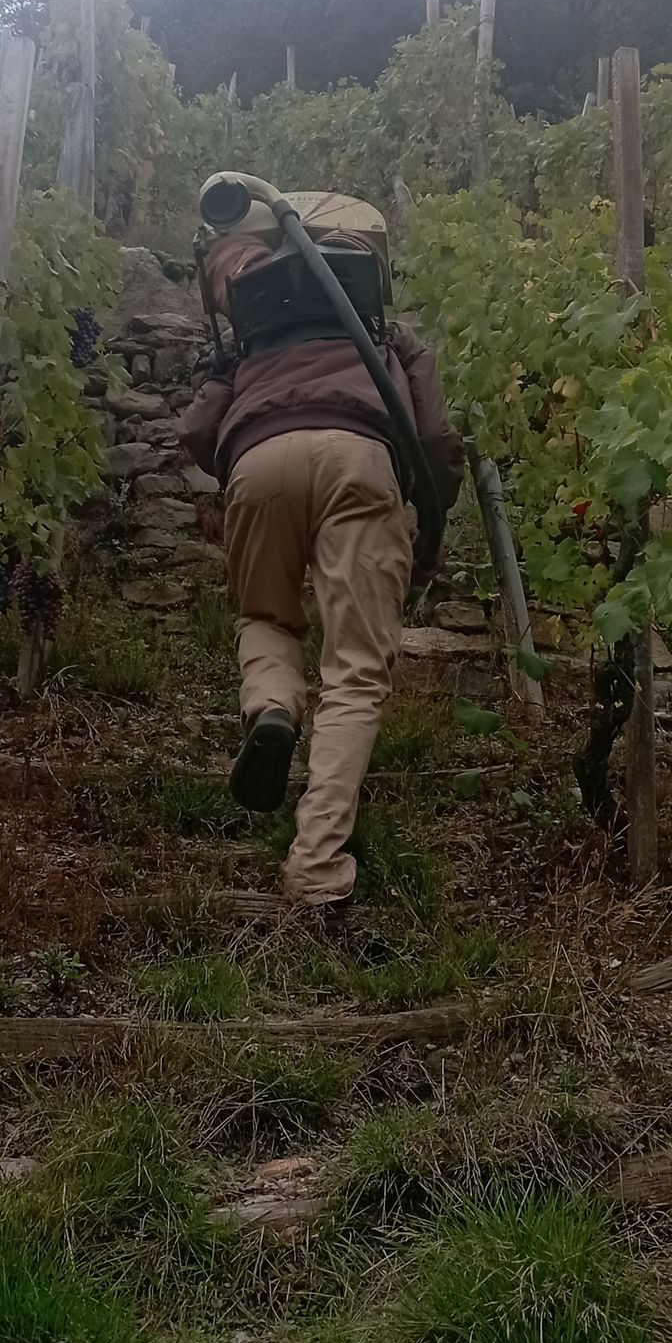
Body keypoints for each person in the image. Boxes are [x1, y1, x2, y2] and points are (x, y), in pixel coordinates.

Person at [182, 210, 465, 909]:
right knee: (355, 674)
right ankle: (315, 866)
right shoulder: (388, 339)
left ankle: (273, 707)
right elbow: (435, 443)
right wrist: (428, 532)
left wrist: (237, 458)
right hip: (363, 461)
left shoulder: (255, 338)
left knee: (265, 615)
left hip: (259, 459)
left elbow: (194, 428)